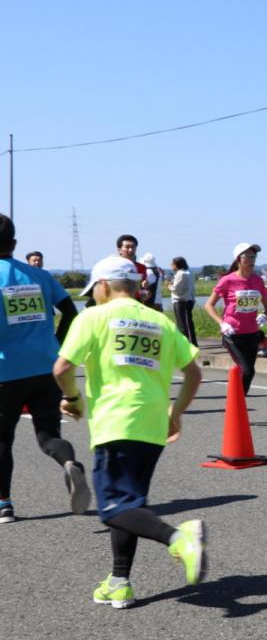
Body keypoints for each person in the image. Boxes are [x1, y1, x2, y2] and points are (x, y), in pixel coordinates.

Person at [53, 255, 206, 608]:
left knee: (112, 510)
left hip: (115, 422)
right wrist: (176, 413)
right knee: (129, 504)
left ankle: (179, 538)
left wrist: (72, 397)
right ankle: (119, 581)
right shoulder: (159, 320)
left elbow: (61, 368)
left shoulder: (94, 317)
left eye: (94, 290)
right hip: (152, 425)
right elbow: (194, 373)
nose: (93, 296)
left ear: (104, 285)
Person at [0, 213, 90, 522]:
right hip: (46, 365)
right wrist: (57, 343)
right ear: (14, 243)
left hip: (5, 370)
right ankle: (69, 463)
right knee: (48, 434)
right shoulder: (40, 275)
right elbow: (70, 311)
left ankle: (4, 504)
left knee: (2, 438)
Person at [204, 243, 267, 396]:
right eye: (247, 256)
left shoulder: (258, 281)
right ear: (238, 259)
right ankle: (236, 404)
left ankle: (237, 405)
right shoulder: (227, 280)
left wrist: (264, 315)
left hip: (252, 333)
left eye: (254, 256)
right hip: (233, 333)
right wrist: (222, 323)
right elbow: (208, 305)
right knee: (247, 371)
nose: (251, 259)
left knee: (249, 373)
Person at [169, 257, 198, 346]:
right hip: (187, 300)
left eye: (172, 264)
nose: (170, 266)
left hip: (180, 301)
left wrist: (169, 286)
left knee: (182, 324)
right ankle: (192, 343)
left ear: (176, 265)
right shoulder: (188, 273)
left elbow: (177, 289)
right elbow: (191, 288)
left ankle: (186, 344)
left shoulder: (181, 274)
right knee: (187, 323)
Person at [115, 234, 150, 305]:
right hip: (116, 302)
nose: (130, 250)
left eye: (133, 247)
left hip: (135, 302)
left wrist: (145, 291)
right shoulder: (112, 266)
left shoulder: (141, 267)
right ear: (119, 250)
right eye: (127, 247)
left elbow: (143, 289)